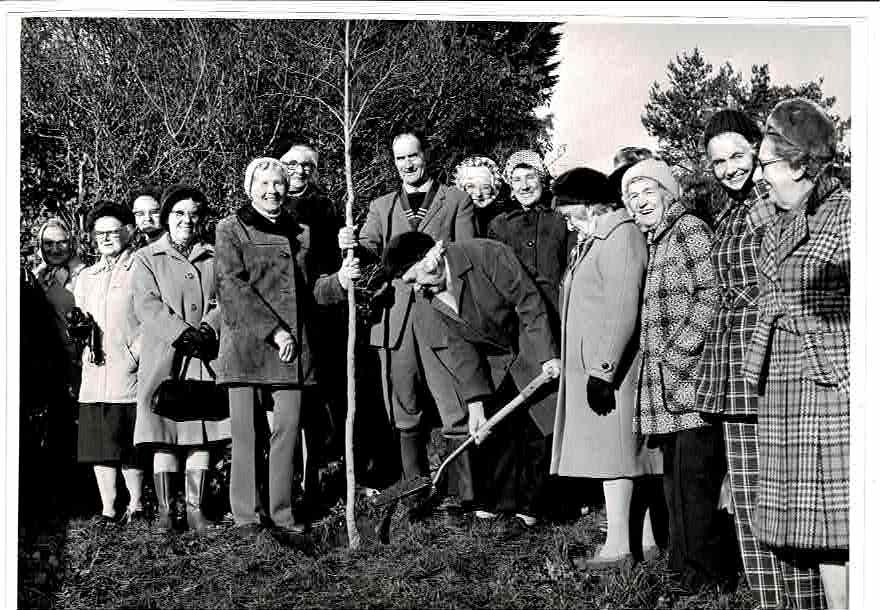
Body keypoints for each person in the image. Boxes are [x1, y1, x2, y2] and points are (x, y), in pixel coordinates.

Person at [695, 109, 825, 608]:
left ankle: (807, 600)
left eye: (738, 155)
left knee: (787, 498)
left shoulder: (782, 201)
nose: (729, 168)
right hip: (733, 367)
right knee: (748, 498)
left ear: (760, 149)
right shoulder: (726, 213)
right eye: (718, 161)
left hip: (777, 362)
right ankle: (771, 600)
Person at [215, 157, 359, 537]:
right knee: (246, 435)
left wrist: (341, 281)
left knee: (288, 431)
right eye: (263, 184)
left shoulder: (302, 232)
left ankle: (282, 513)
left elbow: (310, 291)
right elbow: (231, 288)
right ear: (249, 189)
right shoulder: (230, 229)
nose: (272, 190)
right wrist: (276, 332)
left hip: (293, 351)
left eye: (278, 183)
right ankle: (247, 516)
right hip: (249, 345)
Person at [743, 98, 850, 609]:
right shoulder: (783, 214)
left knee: (847, 525)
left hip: (831, 383)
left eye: (766, 165)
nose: (759, 175)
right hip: (787, 382)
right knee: (824, 532)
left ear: (801, 165)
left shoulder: (850, 215)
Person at [382, 232, 561, 529]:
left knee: (537, 429)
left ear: (432, 258)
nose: (415, 290)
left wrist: (546, 356)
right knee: (495, 429)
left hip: (534, 340)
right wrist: (476, 404)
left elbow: (529, 303)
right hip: (497, 358)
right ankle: (497, 504)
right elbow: (461, 349)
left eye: (414, 279)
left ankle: (531, 510)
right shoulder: (432, 294)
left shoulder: (488, 254)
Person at [337, 131, 476, 503]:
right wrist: (350, 243)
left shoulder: (455, 201)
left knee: (454, 404)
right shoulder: (382, 206)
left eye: (413, 156)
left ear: (425, 155)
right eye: (400, 159)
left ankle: (460, 493)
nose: (408, 164)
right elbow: (367, 249)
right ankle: (415, 490)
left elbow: (465, 257)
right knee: (404, 407)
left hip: (442, 315)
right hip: (395, 319)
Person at [622, 159, 739, 591]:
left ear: (668, 192)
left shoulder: (688, 229)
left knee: (695, 487)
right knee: (677, 485)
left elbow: (712, 293)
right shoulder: (658, 240)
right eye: (632, 199)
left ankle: (709, 577)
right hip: (668, 393)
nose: (640, 204)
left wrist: (678, 353)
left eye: (647, 193)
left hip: (691, 386)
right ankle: (684, 568)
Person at [549, 167, 662, 566]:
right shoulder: (597, 237)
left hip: (611, 372)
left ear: (591, 204)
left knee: (615, 460)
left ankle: (617, 550)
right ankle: (643, 542)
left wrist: (603, 369)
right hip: (598, 369)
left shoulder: (620, 238)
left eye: (566, 207)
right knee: (621, 460)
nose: (563, 216)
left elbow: (621, 309)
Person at [130, 184, 229, 532]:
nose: (186, 220)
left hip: (204, 358)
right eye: (178, 213)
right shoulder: (145, 257)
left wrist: (208, 328)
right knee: (165, 433)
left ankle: (195, 511)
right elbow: (147, 304)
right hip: (164, 356)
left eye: (193, 213)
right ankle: (164, 514)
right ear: (166, 217)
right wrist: (181, 333)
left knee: (200, 433)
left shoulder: (214, 256)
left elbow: (224, 300)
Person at [72, 202, 145, 525]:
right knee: (100, 442)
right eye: (99, 233)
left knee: (129, 440)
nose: (106, 238)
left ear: (128, 232)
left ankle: (138, 504)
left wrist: (136, 353)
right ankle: (108, 508)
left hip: (128, 369)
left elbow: (150, 317)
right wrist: (81, 344)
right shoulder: (86, 277)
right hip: (95, 371)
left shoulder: (141, 268)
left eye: (113, 232)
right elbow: (78, 321)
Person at [487, 150, 572, 327]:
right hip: (520, 320)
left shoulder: (561, 219)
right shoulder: (499, 225)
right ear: (510, 186)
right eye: (517, 180)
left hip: (560, 314)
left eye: (530, 177)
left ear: (541, 180)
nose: (524, 186)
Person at [35, 217, 86, 393]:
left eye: (61, 242)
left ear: (71, 243)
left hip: (76, 361)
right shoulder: (35, 277)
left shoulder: (85, 276)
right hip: (44, 362)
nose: (55, 249)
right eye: (48, 243)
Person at [453, 155, 510, 237]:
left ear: (495, 188)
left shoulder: (506, 220)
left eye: (485, 187)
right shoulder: (453, 219)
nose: (478, 193)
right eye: (470, 186)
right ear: (460, 186)